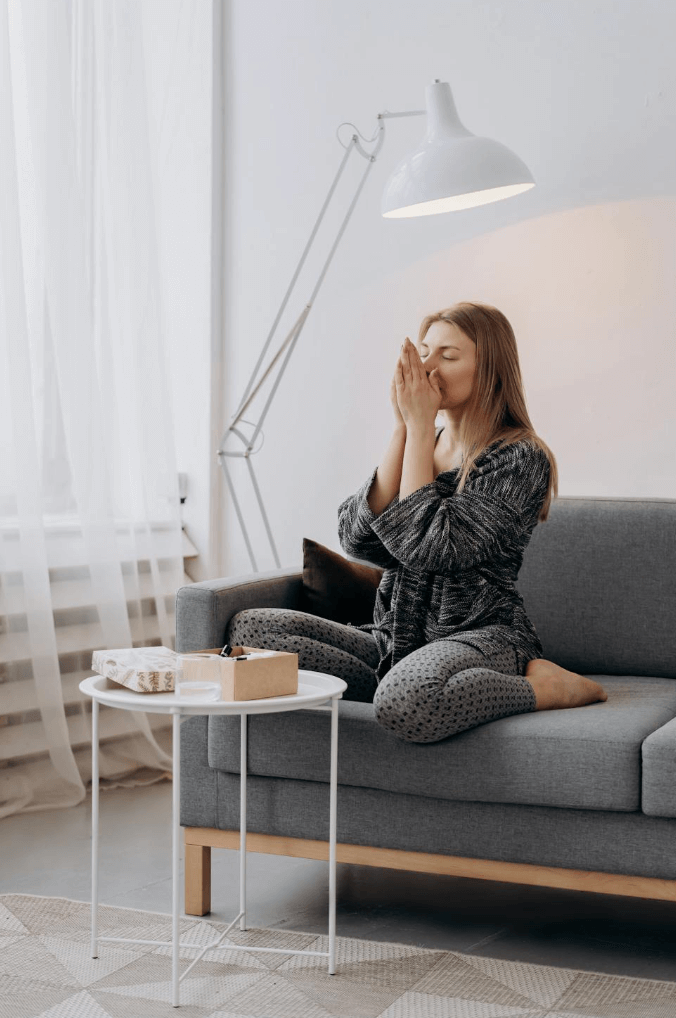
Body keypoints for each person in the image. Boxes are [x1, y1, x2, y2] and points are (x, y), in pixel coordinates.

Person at [226, 301, 607, 743]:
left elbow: (431, 549)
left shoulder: (519, 457)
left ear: (490, 371)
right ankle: (397, 685)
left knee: (409, 699)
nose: (427, 367)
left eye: (447, 356)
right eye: (424, 351)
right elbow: (359, 542)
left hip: (480, 638)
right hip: (395, 640)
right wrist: (404, 429)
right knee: (252, 629)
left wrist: (420, 427)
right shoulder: (424, 438)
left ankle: (543, 689)